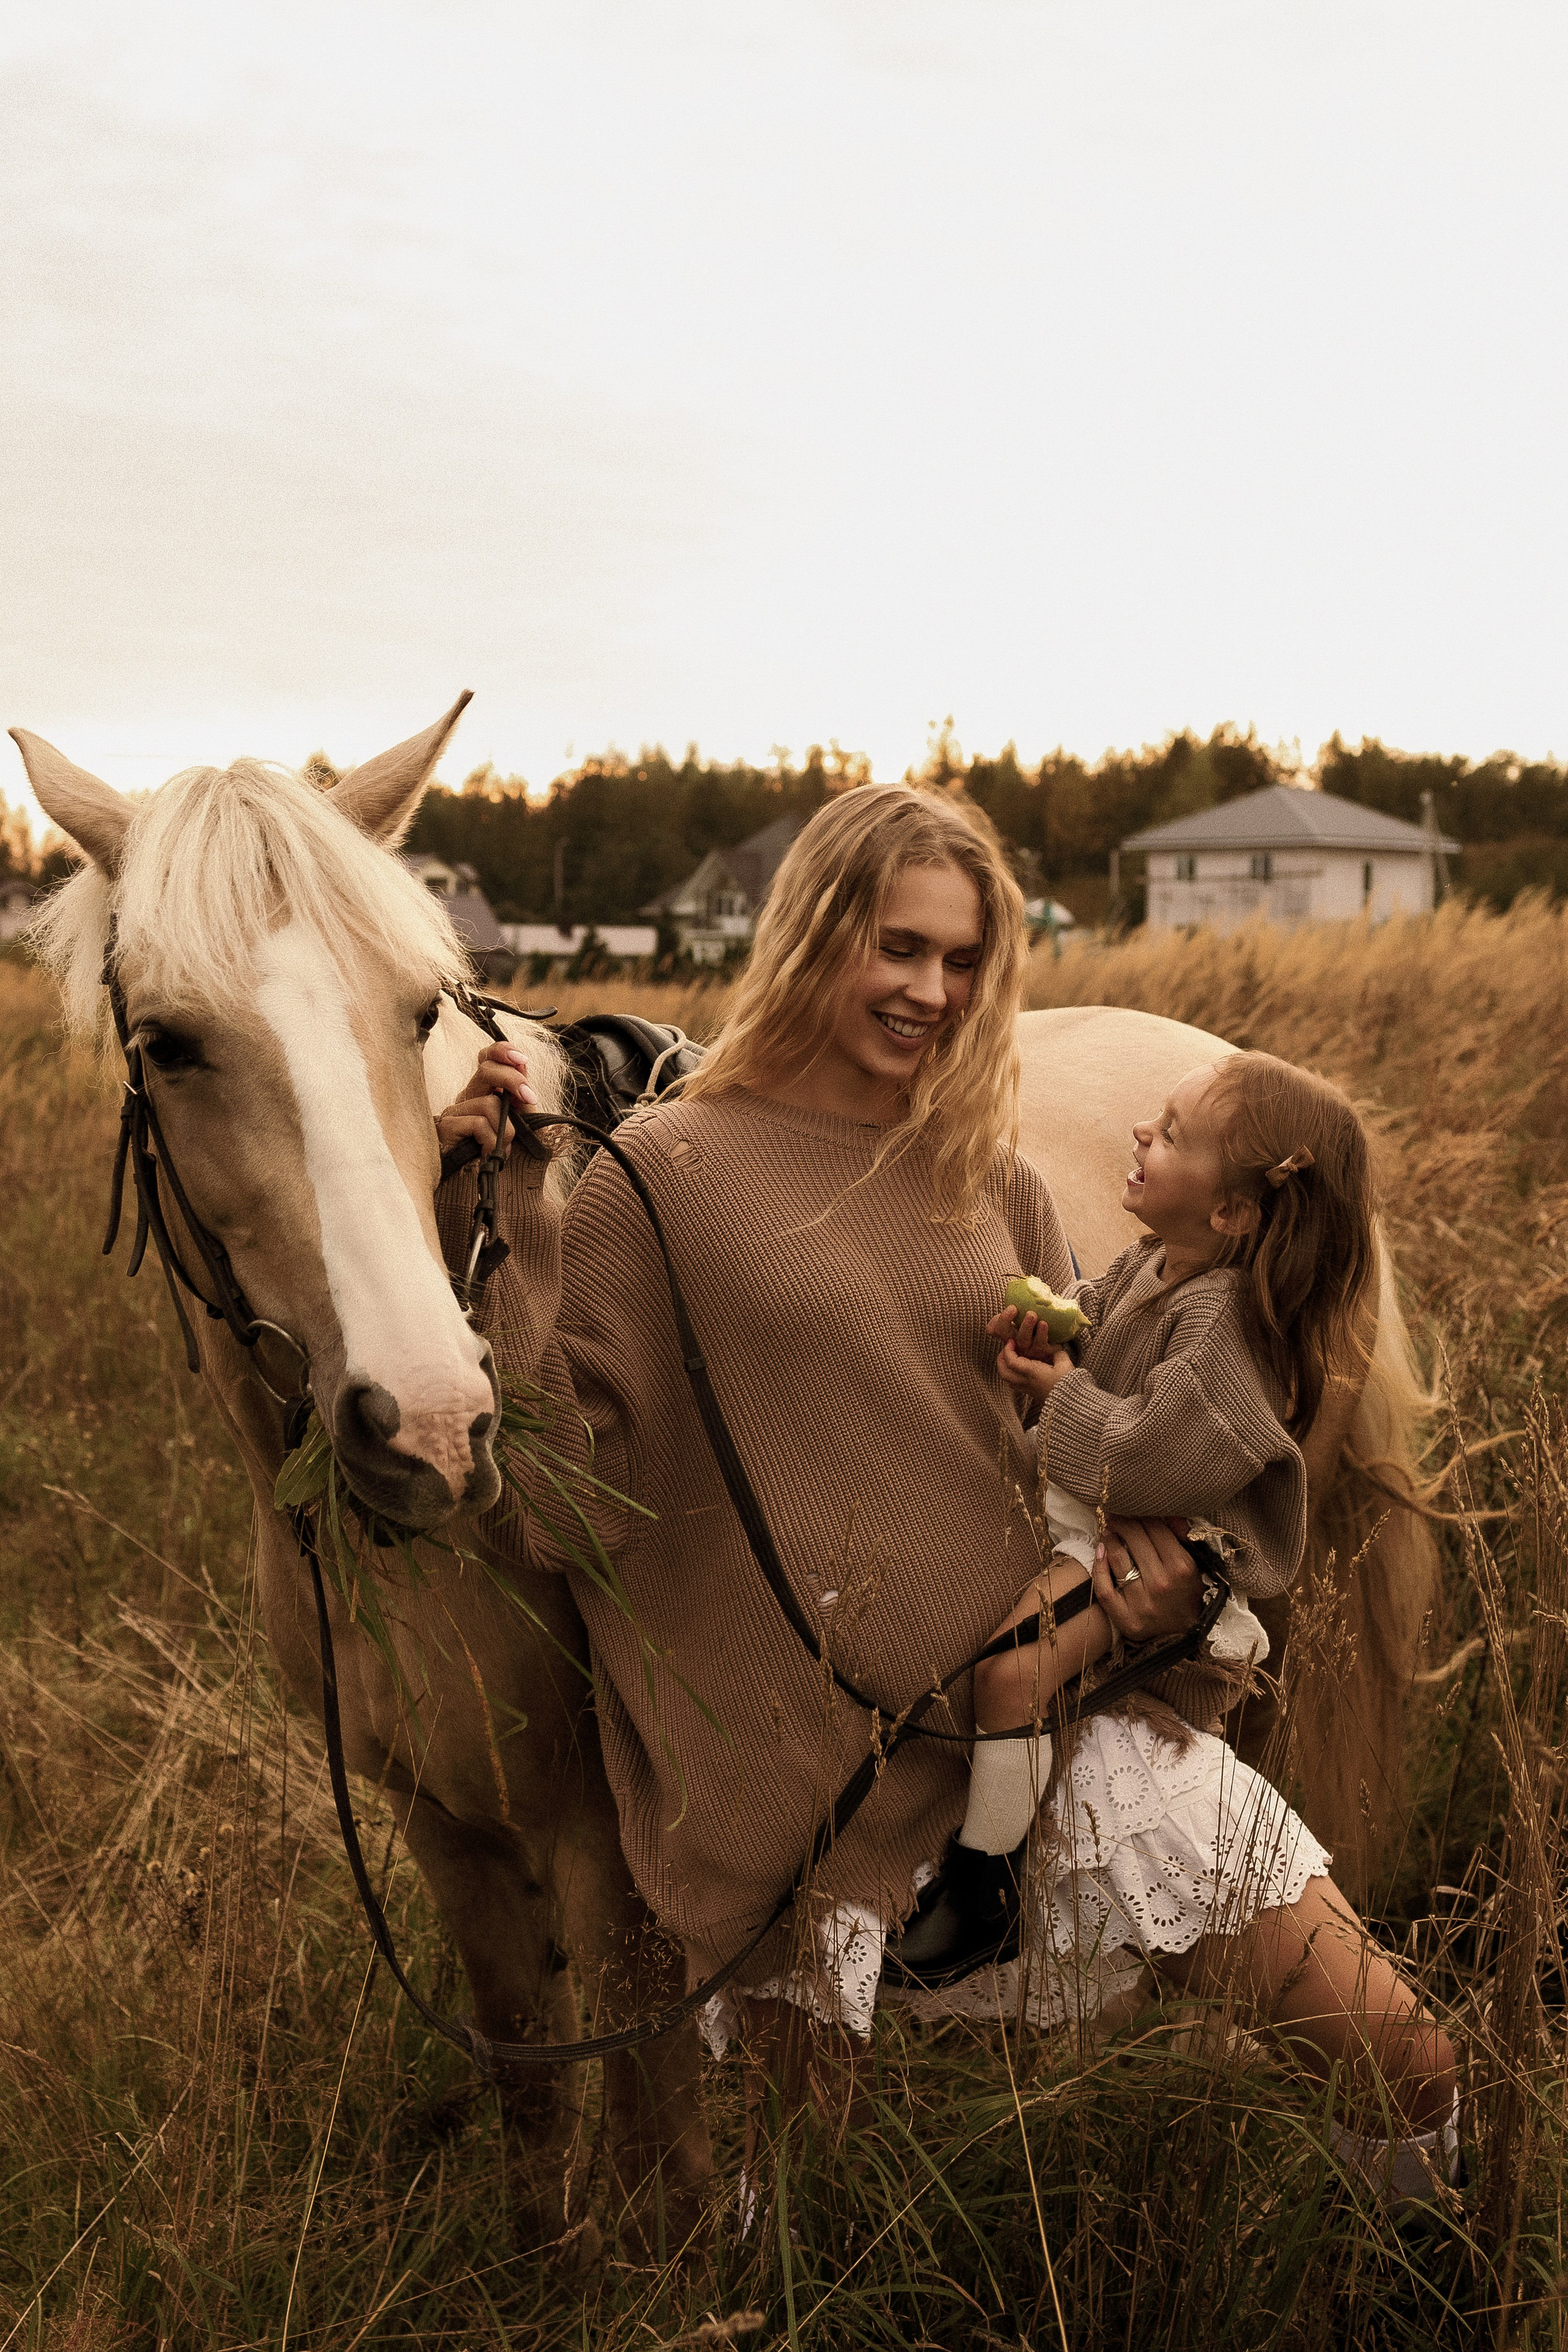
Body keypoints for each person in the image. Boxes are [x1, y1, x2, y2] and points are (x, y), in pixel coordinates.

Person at [436, 788, 1455, 2206]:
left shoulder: (986, 1166)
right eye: (896, 946)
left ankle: (1416, 2273)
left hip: (1050, 1729)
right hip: (808, 1795)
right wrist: (504, 1226)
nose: (932, 992)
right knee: (823, 2229)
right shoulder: (652, 1181)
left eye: (963, 960)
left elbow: (1067, 1443)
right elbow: (562, 1510)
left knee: (1400, 2053)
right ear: (809, 931)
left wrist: (1154, 1593)